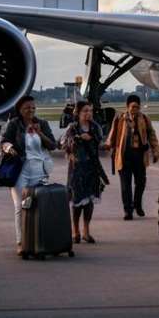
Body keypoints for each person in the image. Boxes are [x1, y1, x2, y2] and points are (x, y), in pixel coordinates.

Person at [0, 95, 58, 256]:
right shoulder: (14, 125)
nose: (30, 110)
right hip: (20, 170)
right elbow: (3, 141)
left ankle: (38, 240)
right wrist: (9, 147)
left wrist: (41, 133)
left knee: (39, 207)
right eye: (27, 108)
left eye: (33, 107)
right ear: (20, 110)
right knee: (21, 206)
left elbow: (53, 145)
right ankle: (21, 242)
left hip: (39, 171)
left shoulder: (42, 124)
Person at [105, 94, 159, 220]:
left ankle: (137, 204)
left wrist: (155, 150)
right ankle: (128, 210)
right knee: (126, 185)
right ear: (127, 107)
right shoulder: (120, 118)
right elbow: (112, 134)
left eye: (137, 107)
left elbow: (152, 134)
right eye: (133, 107)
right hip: (124, 156)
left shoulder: (145, 119)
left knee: (141, 183)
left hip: (140, 156)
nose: (135, 109)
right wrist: (109, 145)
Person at [62, 101, 109, 243]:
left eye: (90, 111)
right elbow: (63, 143)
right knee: (77, 201)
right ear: (78, 113)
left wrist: (103, 145)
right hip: (77, 169)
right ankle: (75, 230)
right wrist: (77, 138)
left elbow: (99, 143)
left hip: (92, 168)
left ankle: (86, 230)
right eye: (85, 111)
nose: (88, 113)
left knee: (89, 201)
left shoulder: (95, 127)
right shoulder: (73, 128)